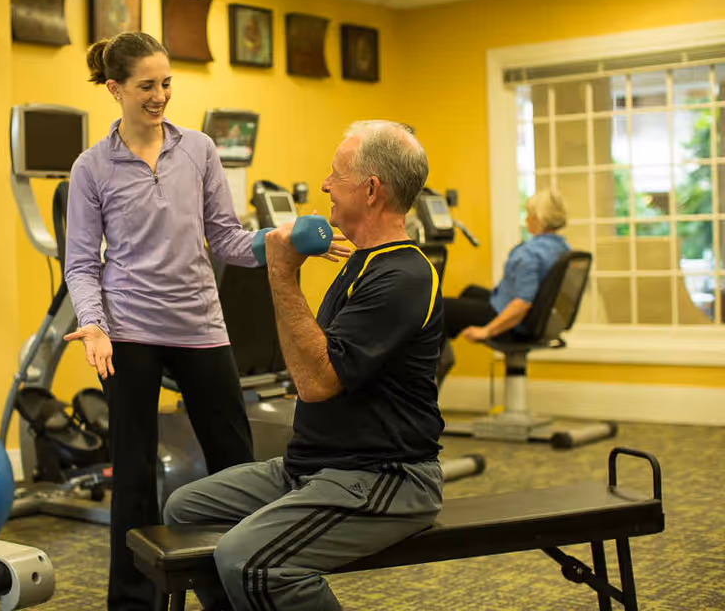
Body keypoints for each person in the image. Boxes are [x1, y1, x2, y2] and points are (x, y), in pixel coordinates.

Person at [62, 32, 348, 611]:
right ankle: (134, 603)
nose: (160, 95)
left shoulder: (198, 150)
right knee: (135, 475)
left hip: (199, 324)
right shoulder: (92, 167)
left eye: (166, 83)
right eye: (146, 85)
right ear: (115, 89)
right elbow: (81, 262)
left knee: (235, 463)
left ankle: (236, 586)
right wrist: (93, 324)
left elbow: (226, 239)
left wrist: (282, 241)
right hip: (129, 331)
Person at [163, 120, 445, 611]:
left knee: (249, 560)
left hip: (386, 477)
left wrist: (282, 270)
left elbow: (315, 383)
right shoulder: (361, 262)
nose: (324, 185)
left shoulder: (404, 275)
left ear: (371, 190)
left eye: (335, 174)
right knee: (185, 509)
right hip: (314, 467)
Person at [443, 189, 570, 345]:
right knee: (469, 291)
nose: (527, 219)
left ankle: (430, 364)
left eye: (529, 215)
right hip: (534, 318)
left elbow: (522, 303)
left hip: (514, 324)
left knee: (442, 308)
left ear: (540, 219)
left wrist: (486, 331)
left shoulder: (530, 254)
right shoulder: (561, 248)